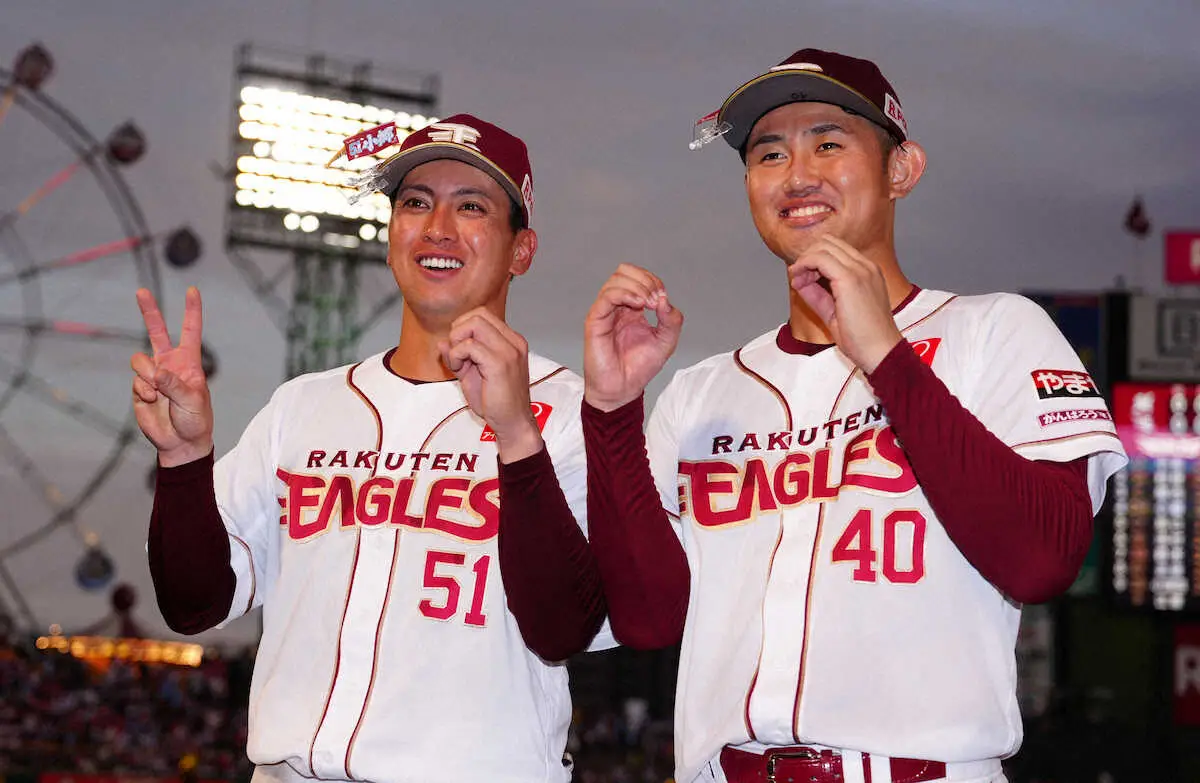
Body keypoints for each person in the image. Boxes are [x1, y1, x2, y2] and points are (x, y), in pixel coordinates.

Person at [578, 49, 1128, 783]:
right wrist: (613, 411)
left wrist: (887, 356)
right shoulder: (702, 391)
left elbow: (1043, 558)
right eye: (769, 154)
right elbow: (649, 619)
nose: (797, 174)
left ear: (902, 169)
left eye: (829, 143)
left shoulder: (992, 331)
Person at [130, 114, 609, 783]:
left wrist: (516, 438)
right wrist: (184, 461)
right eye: (415, 202)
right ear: (390, 238)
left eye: (471, 206)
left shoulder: (572, 417)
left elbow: (567, 627)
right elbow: (194, 602)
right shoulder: (303, 406)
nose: (437, 227)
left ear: (521, 250)